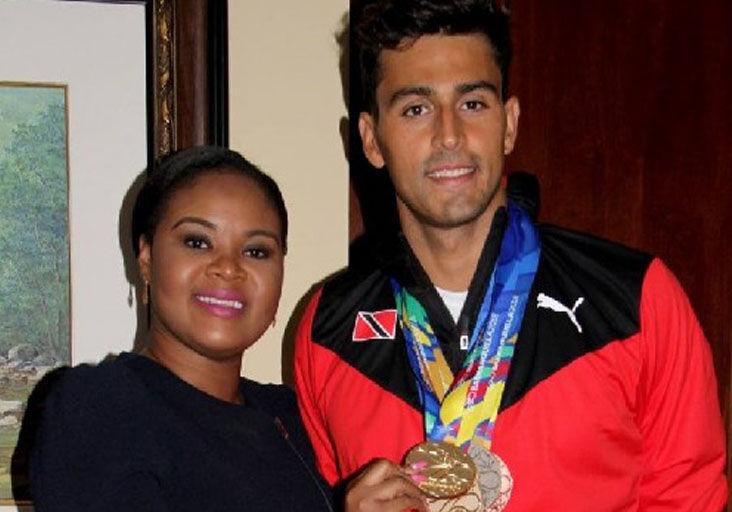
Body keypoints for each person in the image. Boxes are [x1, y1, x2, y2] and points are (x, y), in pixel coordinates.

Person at [293, 1, 728, 511]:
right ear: (371, 140)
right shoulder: (326, 332)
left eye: (473, 103)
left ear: (509, 123)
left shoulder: (636, 300)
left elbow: (690, 497)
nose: (449, 134)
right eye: (416, 108)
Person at [27, 146, 426, 512]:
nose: (228, 267)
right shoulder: (99, 405)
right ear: (146, 258)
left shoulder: (293, 415)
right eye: (197, 242)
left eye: (256, 251)